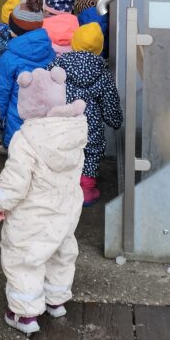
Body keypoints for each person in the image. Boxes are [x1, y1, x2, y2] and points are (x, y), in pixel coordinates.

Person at [0, 66, 88, 335]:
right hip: (66, 208)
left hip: (32, 213)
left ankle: (24, 314)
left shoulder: (26, 138)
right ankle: (56, 300)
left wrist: (2, 203)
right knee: (60, 251)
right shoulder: (75, 133)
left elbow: (16, 178)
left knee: (24, 257)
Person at [55, 23, 123, 206]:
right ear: (100, 49)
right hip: (89, 126)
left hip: (61, 122)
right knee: (91, 151)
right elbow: (110, 101)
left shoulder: (56, 66)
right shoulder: (103, 74)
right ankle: (85, 189)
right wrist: (115, 120)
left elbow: (45, 92)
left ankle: (61, 186)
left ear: (74, 43)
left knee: (61, 149)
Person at [0, 0, 55, 149]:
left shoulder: (9, 58)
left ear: (14, 29)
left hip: (17, 121)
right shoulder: (49, 51)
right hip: (44, 121)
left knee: (17, 157)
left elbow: (1, 94)